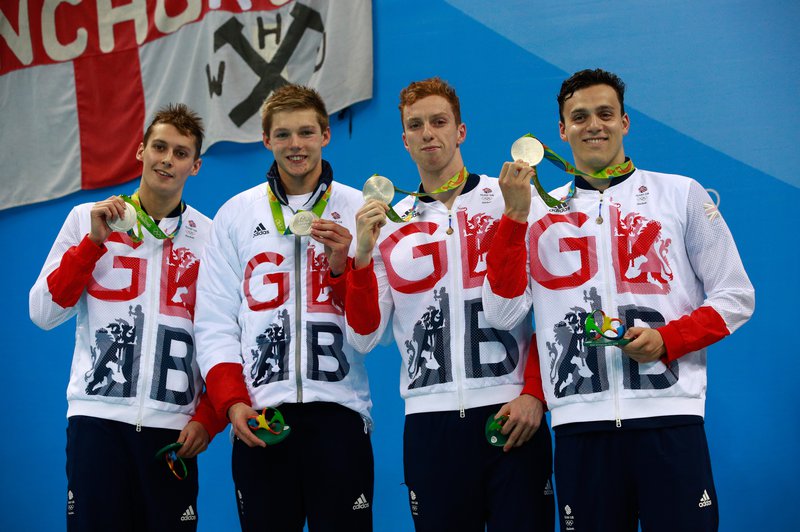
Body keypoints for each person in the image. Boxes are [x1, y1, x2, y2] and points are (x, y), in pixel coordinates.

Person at [483, 68, 755, 531]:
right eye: (580, 116)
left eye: (606, 114)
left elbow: (736, 295)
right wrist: (512, 216)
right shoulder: (534, 213)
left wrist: (669, 339)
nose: (595, 125)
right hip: (579, 427)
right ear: (561, 130)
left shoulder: (679, 193)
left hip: (669, 416)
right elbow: (504, 312)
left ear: (625, 122)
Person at [343, 77, 554, 531]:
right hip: (430, 421)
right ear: (404, 139)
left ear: (461, 131)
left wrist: (535, 393)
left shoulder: (512, 198)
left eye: (439, 122)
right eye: (415, 125)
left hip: (510, 413)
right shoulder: (391, 222)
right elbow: (363, 337)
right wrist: (360, 257)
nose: (427, 133)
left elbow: (555, 308)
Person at [29, 103, 227, 531]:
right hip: (97, 423)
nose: (166, 160)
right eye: (159, 147)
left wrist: (208, 418)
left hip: (173, 433)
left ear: (196, 166)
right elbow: (43, 312)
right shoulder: (88, 218)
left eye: (179, 153)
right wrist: (92, 245)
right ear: (140, 151)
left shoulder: (211, 236)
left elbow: (225, 335)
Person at [194, 84, 373, 532]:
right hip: (261, 417)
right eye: (284, 134)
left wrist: (343, 269)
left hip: (339, 413)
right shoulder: (235, 214)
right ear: (266, 139)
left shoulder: (358, 209)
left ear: (326, 136)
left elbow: (374, 327)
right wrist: (233, 404)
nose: (296, 144)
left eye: (307, 132)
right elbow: (214, 324)